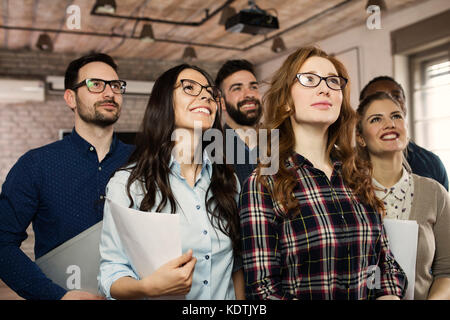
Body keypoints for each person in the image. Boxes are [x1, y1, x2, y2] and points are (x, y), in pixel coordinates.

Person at [239, 46, 407, 300]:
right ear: (285, 99)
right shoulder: (263, 183)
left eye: (333, 81)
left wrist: (389, 295)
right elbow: (263, 291)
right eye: (308, 79)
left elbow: (386, 264)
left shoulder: (356, 174)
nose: (324, 88)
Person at [98, 64, 244, 300]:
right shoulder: (129, 184)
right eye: (190, 88)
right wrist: (147, 288)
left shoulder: (228, 181)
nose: (206, 96)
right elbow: (110, 274)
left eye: (210, 92)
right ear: (164, 101)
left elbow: (236, 264)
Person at [0, 53, 134, 300]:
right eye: (96, 84)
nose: (109, 93)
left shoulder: (145, 161)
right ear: (70, 98)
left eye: (115, 85)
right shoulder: (35, 165)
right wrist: (54, 296)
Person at [355, 92, 450, 300]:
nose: (389, 124)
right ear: (361, 138)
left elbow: (446, 271)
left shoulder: (435, 193)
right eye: (376, 119)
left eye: (396, 116)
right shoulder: (348, 193)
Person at [359, 76, 448, 191]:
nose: (388, 103)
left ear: (404, 107)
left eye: (395, 96)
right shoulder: (347, 166)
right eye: (377, 98)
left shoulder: (432, 163)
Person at [215, 60, 262, 187]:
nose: (249, 94)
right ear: (222, 102)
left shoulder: (281, 142)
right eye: (237, 89)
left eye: (253, 87)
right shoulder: (213, 151)